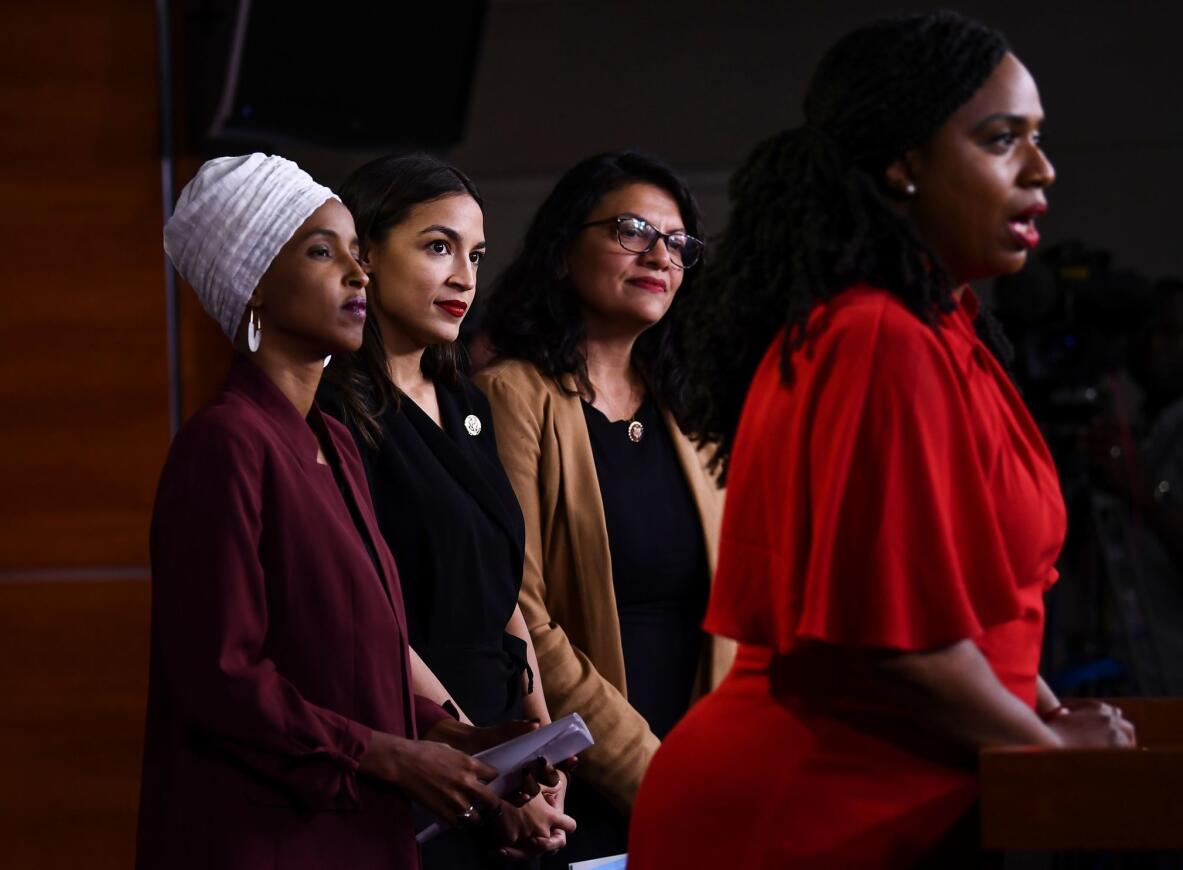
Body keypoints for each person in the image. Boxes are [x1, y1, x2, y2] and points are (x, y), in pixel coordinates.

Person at [627, 13, 1135, 869]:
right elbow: (898, 648)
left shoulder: (943, 331)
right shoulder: (876, 338)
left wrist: (1040, 712)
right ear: (905, 163)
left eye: (1038, 141)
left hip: (893, 801)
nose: (1042, 171)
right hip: (809, 813)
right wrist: (1051, 751)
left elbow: (973, 612)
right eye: (1002, 140)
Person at [138, 154, 544, 870]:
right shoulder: (225, 444)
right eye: (324, 253)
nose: (358, 274)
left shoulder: (332, 440)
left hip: (362, 831)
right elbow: (223, 681)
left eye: (358, 254)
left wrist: (457, 743)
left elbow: (366, 657)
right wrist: (394, 756)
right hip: (268, 838)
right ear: (252, 284)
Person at [475, 150, 735, 866]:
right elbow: (521, 613)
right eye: (630, 230)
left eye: (678, 243)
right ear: (563, 253)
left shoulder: (694, 412)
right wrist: (652, 773)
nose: (660, 254)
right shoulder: (512, 394)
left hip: (705, 780)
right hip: (578, 787)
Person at [319, 153, 576, 866]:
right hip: (419, 749)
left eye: (476, 254)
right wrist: (483, 764)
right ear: (363, 255)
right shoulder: (335, 413)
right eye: (438, 247)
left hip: (504, 743)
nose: (466, 275)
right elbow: (370, 618)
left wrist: (543, 742)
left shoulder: (465, 400)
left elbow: (503, 587)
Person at [1081, 277, 1183, 695]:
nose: (1154, 347)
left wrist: (1143, 489)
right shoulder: (1153, 425)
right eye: (1147, 333)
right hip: (1137, 676)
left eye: (1174, 333)